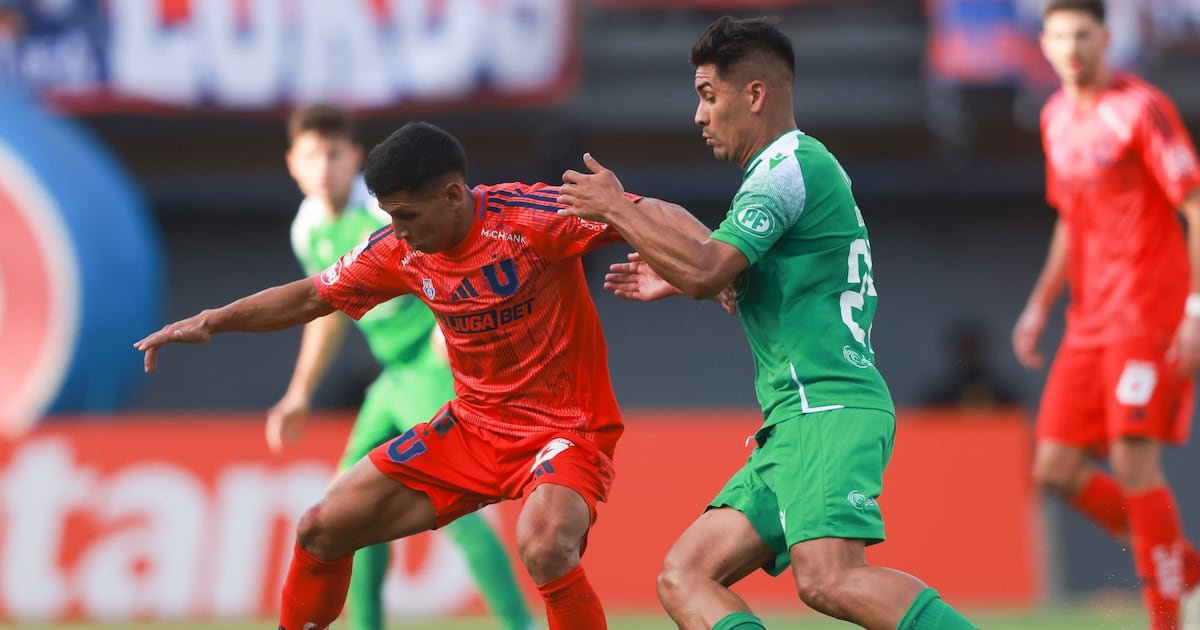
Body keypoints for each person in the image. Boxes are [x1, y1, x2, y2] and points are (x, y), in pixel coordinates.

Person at [135, 120, 702, 630]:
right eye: (390, 217)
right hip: (473, 429)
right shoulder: (399, 251)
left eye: (407, 215)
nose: (399, 231)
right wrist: (213, 320)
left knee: (545, 543)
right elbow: (312, 296)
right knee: (320, 528)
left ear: (453, 195)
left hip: (566, 429)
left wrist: (713, 261)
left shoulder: (529, 217)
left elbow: (653, 212)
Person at [557, 15, 976, 630]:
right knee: (685, 575)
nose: (698, 116)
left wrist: (618, 209)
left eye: (708, 96)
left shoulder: (787, 169)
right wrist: (687, 273)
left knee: (830, 578)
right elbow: (722, 278)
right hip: (792, 423)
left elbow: (707, 269)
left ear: (754, 94)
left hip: (826, 407)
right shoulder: (788, 173)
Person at [269, 103, 533, 630]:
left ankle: (519, 624)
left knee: (457, 514)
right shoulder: (308, 229)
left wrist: (449, 324)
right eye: (311, 155)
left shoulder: (381, 214)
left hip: (434, 370)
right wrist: (299, 391)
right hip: (392, 378)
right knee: (347, 511)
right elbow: (330, 309)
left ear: (354, 159)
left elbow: (453, 252)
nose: (324, 167)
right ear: (292, 163)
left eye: (334, 153)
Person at [1010, 1, 1200, 628]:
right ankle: (1187, 573)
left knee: (1131, 461)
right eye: (1060, 35)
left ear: (1107, 39)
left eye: (1084, 35)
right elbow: (1070, 218)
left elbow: (1194, 207)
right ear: (1043, 43)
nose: (1072, 48)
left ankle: (1169, 618)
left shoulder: (1141, 108)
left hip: (1148, 313)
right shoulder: (1055, 117)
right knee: (1055, 469)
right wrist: (1039, 304)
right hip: (1087, 322)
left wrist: (1195, 310)